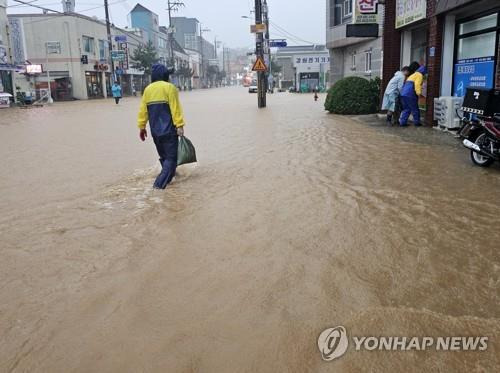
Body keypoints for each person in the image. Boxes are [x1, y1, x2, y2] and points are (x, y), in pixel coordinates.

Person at [137, 64, 185, 189]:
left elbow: (143, 111)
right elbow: (175, 108)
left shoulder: (147, 90)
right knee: (171, 159)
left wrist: (142, 128)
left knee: (164, 157)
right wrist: (179, 125)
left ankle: (170, 177)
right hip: (169, 131)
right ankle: (158, 186)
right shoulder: (170, 88)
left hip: (155, 132)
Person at [399, 62, 427, 127]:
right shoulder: (419, 75)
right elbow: (417, 85)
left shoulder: (413, 75)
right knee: (415, 109)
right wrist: (419, 93)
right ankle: (417, 123)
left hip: (403, 93)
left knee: (406, 109)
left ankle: (402, 123)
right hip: (410, 94)